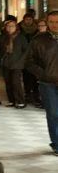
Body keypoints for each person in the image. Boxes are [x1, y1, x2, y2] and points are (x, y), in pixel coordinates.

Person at [24, 10, 58, 156]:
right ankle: (56, 144)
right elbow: (29, 62)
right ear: (46, 22)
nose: (55, 25)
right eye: (51, 22)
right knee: (53, 113)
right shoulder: (39, 40)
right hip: (48, 83)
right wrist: (42, 74)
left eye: (57, 22)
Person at [0, 20, 28, 108]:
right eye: (8, 26)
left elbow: (26, 51)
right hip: (6, 63)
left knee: (16, 83)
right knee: (8, 83)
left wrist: (21, 61)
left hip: (17, 63)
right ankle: (11, 100)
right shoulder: (2, 37)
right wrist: (0, 58)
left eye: (12, 26)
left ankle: (20, 101)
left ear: (16, 27)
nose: (10, 28)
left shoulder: (21, 37)